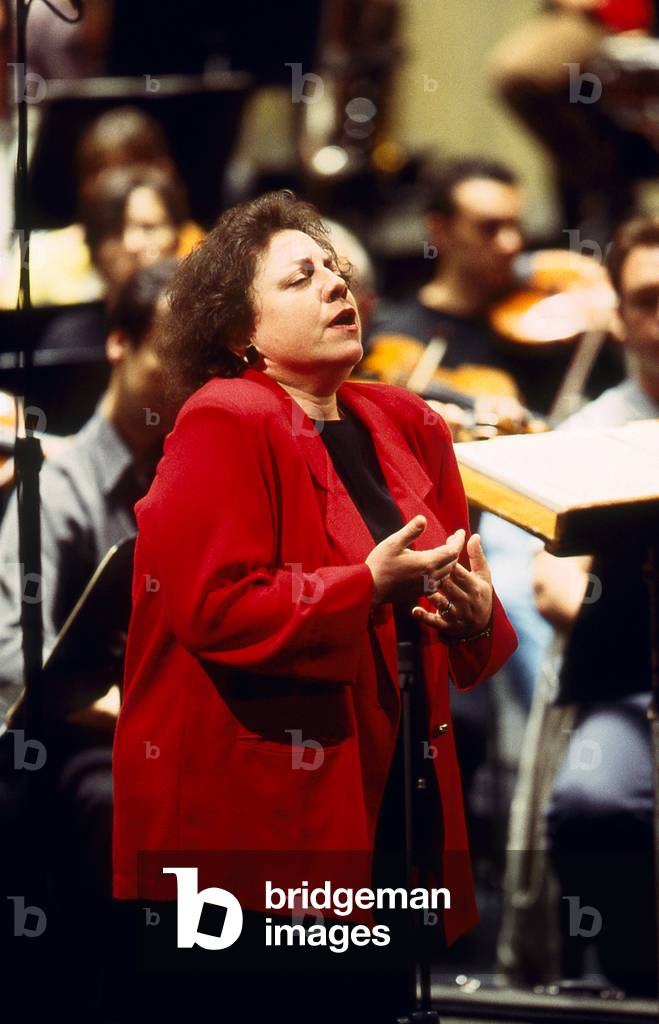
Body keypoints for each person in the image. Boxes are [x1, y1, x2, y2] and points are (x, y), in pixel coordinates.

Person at [111, 190, 517, 1022]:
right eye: (301, 278)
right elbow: (216, 607)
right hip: (262, 811)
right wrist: (363, 589)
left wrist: (474, 617)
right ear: (238, 332)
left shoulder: (407, 422)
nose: (335, 284)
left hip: (396, 784)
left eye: (334, 268)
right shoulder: (223, 419)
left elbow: (456, 599)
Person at [0, 260, 179, 1020]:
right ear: (118, 344)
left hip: (160, 731)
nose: (186, 378)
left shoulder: (190, 477)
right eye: (169, 353)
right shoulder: (59, 485)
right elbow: (13, 659)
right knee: (121, 809)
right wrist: (140, 718)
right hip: (73, 742)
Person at [531, 215, 659, 994]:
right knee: (590, 797)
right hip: (630, 691)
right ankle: (628, 985)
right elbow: (554, 583)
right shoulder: (586, 437)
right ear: (616, 315)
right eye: (646, 298)